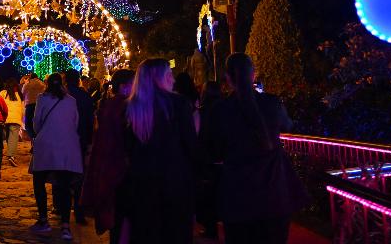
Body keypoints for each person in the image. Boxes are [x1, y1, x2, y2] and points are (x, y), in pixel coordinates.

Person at [200, 53, 307, 244]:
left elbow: (211, 151)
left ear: (227, 78)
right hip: (274, 193)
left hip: (238, 196)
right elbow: (288, 125)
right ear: (253, 75)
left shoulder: (219, 110)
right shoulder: (272, 103)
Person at [115, 58, 197, 244]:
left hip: (142, 185)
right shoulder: (178, 104)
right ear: (159, 78)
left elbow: (127, 149)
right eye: (169, 75)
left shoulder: (130, 108)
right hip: (174, 183)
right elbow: (190, 145)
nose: (173, 80)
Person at [79, 68, 134, 242]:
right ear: (125, 86)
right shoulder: (125, 106)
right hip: (122, 169)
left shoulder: (108, 105)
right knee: (125, 215)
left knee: (117, 217)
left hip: (109, 167)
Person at [28, 73, 82, 240]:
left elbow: (36, 123)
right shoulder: (71, 101)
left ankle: (43, 220)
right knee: (65, 186)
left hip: (46, 146)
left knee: (39, 181)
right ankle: (65, 226)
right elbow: (76, 122)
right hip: (67, 147)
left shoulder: (42, 99)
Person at [64, 69, 96, 224]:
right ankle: (78, 210)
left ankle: (61, 207)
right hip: (80, 139)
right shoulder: (84, 96)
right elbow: (90, 119)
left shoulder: (60, 96)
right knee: (79, 175)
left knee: (62, 174)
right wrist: (89, 140)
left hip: (63, 140)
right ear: (78, 80)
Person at [197, 80, 226, 240]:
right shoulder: (225, 106)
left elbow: (203, 134)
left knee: (209, 196)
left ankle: (211, 228)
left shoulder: (204, 109)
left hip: (209, 159)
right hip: (224, 157)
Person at [1, 79, 25, 167]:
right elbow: (23, 109)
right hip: (15, 120)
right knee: (13, 138)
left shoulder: (3, 93)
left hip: (5, 119)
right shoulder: (20, 95)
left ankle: (10, 153)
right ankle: (11, 156)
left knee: (8, 137)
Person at [22, 72, 46, 136]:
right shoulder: (42, 84)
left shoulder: (27, 84)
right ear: (37, 77)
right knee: (39, 123)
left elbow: (23, 93)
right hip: (40, 105)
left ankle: (32, 137)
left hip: (29, 105)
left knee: (28, 124)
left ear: (31, 77)